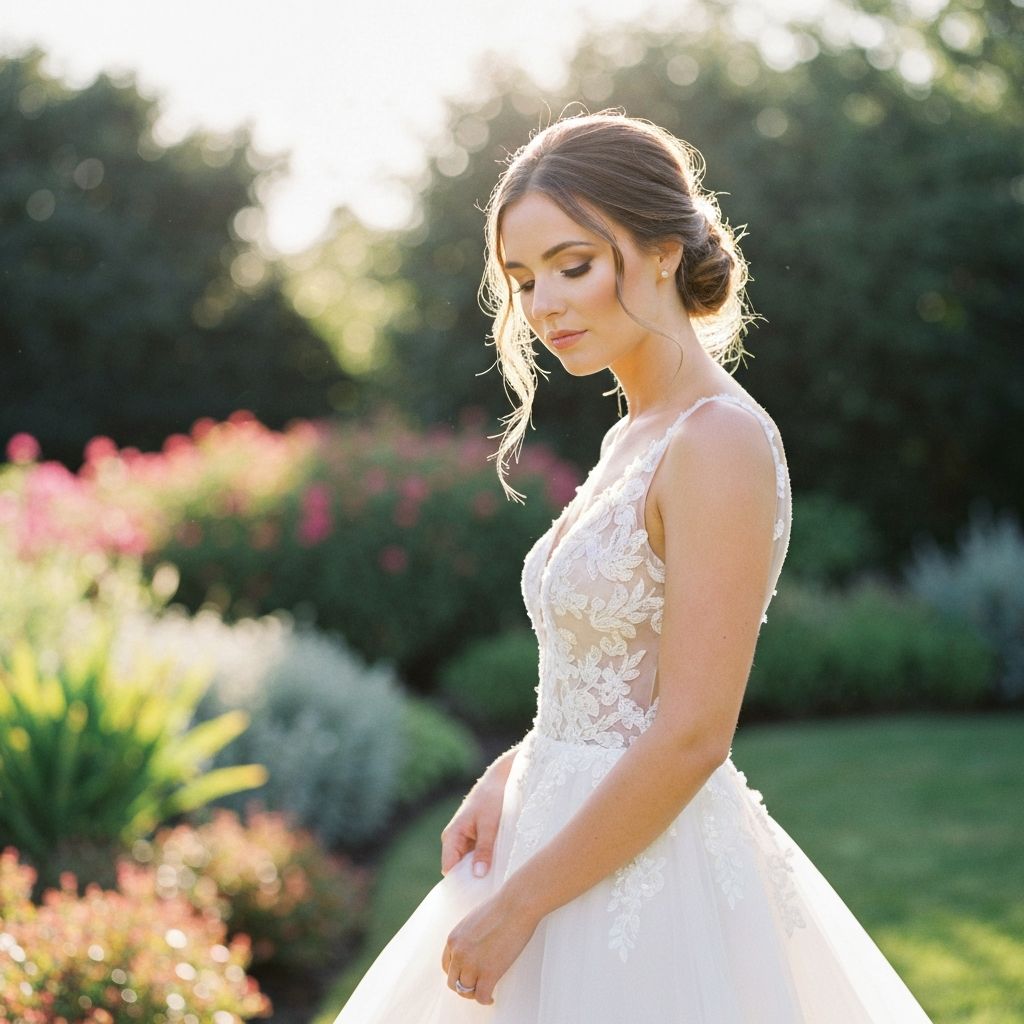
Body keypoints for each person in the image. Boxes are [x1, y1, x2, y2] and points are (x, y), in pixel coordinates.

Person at [332, 110, 934, 1022]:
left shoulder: (718, 440)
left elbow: (694, 730)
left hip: (645, 881)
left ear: (661, 251)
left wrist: (522, 904)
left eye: (573, 266)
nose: (545, 307)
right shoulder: (630, 437)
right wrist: (514, 768)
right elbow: (608, 673)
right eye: (526, 281)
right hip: (558, 829)